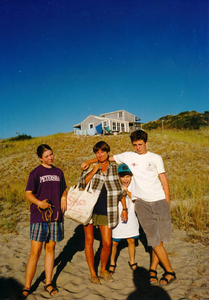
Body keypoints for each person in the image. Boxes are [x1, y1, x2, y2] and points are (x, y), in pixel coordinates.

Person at [82, 130, 176, 286]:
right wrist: (90, 162)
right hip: (142, 203)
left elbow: (164, 179)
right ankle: (169, 272)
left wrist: (167, 201)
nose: (138, 147)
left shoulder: (155, 158)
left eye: (140, 144)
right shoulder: (128, 156)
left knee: (160, 239)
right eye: (135, 145)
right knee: (154, 240)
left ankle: (153, 269)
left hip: (159, 200)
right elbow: (105, 157)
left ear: (146, 143)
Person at [79, 141, 128, 284]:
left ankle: (103, 270)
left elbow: (120, 191)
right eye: (97, 153)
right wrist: (93, 171)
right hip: (89, 209)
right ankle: (93, 274)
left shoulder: (115, 168)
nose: (100, 155)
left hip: (107, 210)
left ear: (108, 153)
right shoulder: (90, 168)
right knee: (89, 241)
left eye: (102, 152)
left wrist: (124, 208)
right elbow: (81, 184)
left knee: (106, 243)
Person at [22, 144, 67, 298]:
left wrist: (64, 197)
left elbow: (64, 188)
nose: (50, 158)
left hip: (55, 217)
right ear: (40, 158)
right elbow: (28, 193)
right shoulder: (35, 173)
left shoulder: (58, 172)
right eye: (47, 156)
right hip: (38, 216)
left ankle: (48, 282)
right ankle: (27, 285)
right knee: (35, 252)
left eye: (51, 155)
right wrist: (39, 203)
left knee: (50, 249)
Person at [109, 164, 139, 274]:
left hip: (131, 216)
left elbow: (137, 200)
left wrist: (127, 191)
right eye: (122, 177)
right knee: (115, 242)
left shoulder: (134, 186)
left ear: (131, 176)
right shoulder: (115, 186)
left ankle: (132, 261)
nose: (125, 179)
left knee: (131, 240)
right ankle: (112, 262)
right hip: (118, 218)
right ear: (118, 177)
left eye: (127, 176)